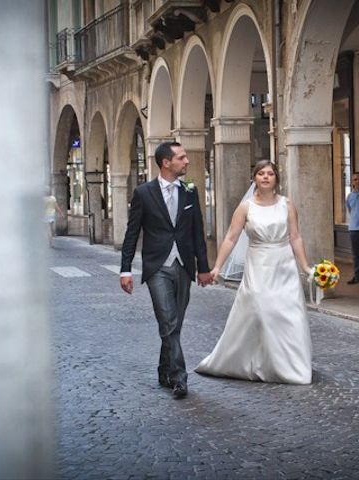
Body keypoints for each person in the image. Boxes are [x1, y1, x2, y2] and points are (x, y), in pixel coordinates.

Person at [195, 160, 313, 385]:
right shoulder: (246, 207)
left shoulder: (287, 205)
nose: (266, 177)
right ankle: (257, 361)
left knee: (289, 313)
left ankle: (293, 367)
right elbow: (231, 237)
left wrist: (305, 267)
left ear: (276, 178)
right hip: (258, 266)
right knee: (262, 311)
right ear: (254, 178)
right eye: (261, 173)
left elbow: (295, 237)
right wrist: (217, 266)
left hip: (284, 265)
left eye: (270, 173)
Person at [120, 141, 212, 399]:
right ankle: (179, 378)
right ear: (166, 163)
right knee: (169, 322)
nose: (187, 161)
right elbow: (132, 233)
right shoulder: (144, 193)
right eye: (182, 158)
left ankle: (163, 369)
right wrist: (125, 270)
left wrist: (203, 268)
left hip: (183, 265)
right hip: (157, 267)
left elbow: (197, 232)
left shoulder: (190, 191)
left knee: (173, 324)